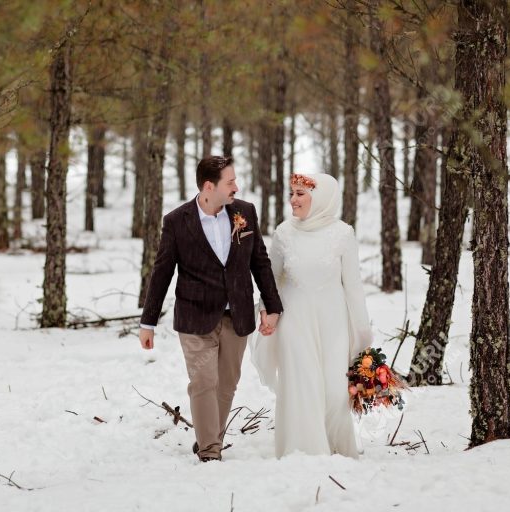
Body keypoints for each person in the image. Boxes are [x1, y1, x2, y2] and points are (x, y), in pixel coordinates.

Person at [139, 156, 283, 462]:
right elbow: (162, 271)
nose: (236, 187)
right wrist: (148, 322)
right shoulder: (177, 221)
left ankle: (208, 436)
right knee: (204, 381)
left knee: (226, 385)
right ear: (209, 186)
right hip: (194, 316)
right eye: (230, 182)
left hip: (237, 314)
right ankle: (209, 451)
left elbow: (260, 261)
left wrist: (273, 306)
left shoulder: (245, 212)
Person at [250, 172, 372, 458]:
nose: (293, 200)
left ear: (319, 199)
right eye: (291, 193)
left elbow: (353, 286)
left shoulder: (343, 233)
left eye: (300, 194)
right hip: (294, 319)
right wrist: (267, 312)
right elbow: (272, 281)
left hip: (333, 321)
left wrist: (363, 331)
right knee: (302, 382)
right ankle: (304, 450)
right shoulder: (283, 233)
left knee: (333, 387)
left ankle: (335, 444)